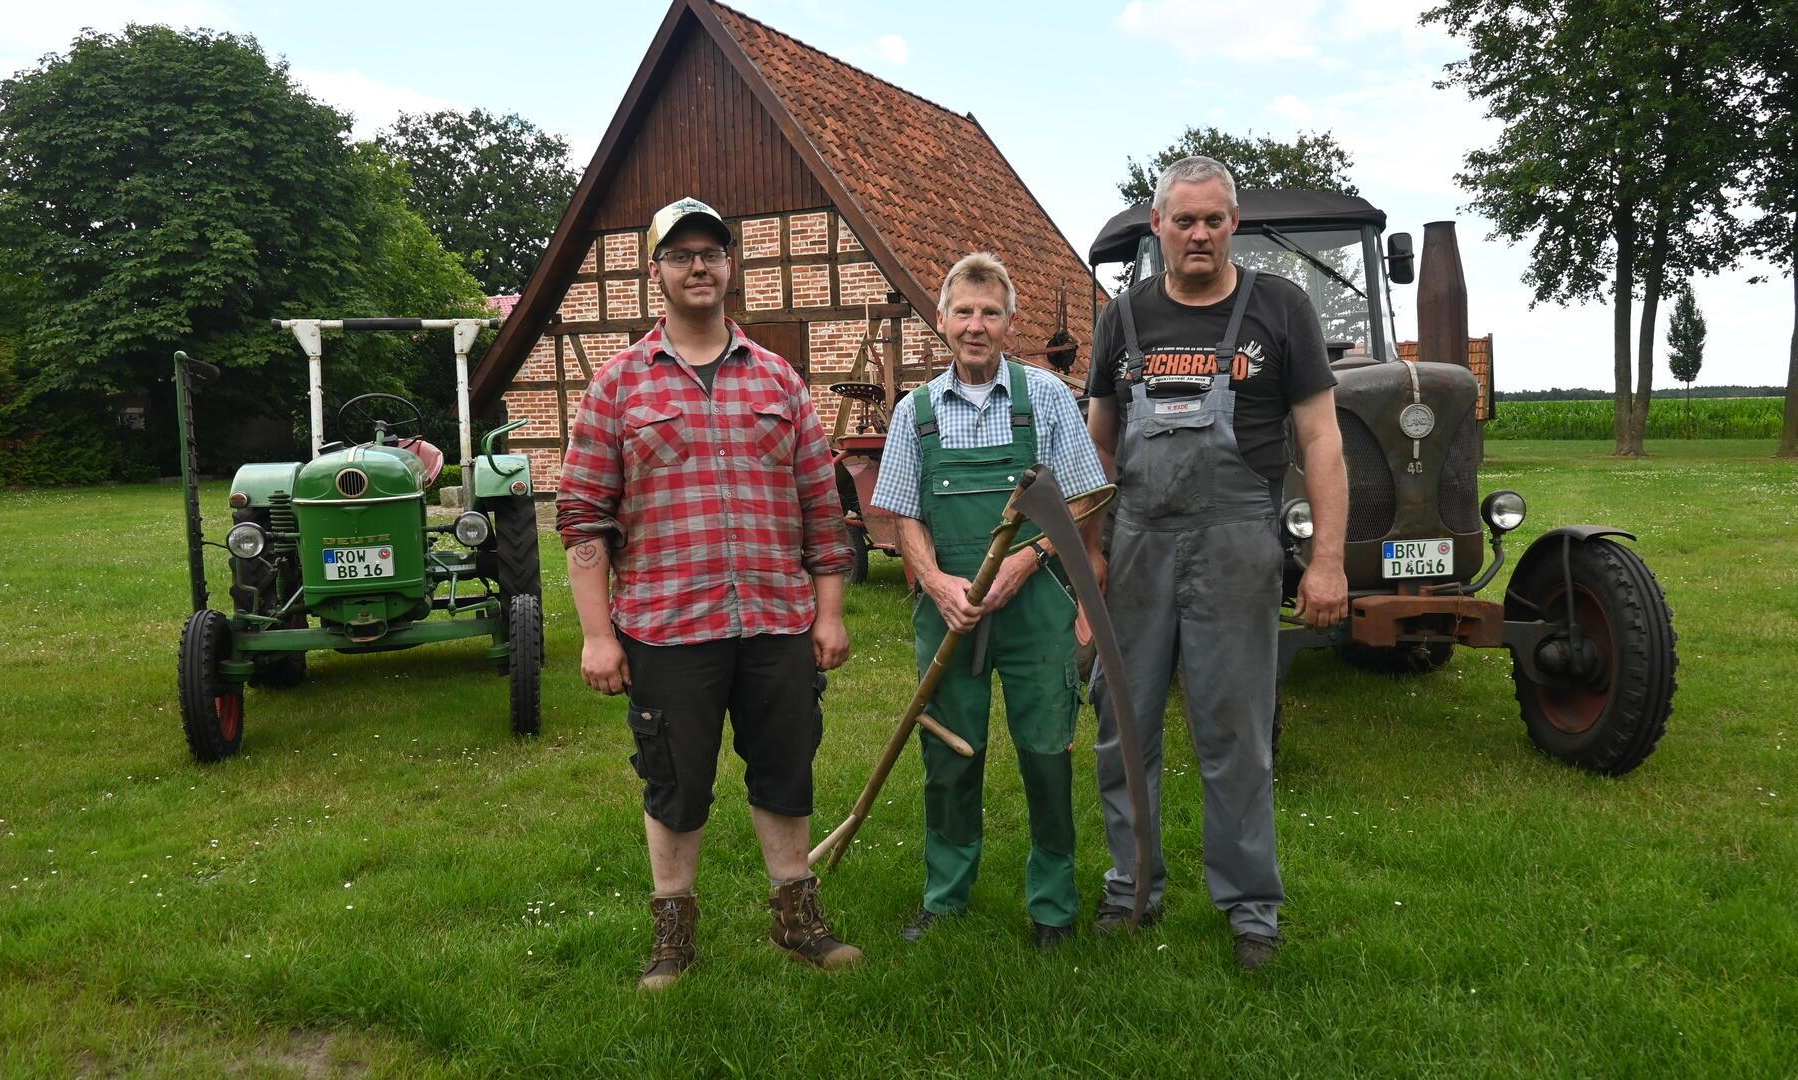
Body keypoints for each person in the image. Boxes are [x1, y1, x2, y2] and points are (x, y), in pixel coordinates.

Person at [557, 196, 863, 990]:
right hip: (666, 627)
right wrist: (598, 635)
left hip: (775, 623)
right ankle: (673, 935)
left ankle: (797, 920)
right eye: (681, 254)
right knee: (676, 782)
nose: (699, 266)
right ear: (654, 272)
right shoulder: (618, 386)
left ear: (731, 268)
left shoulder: (780, 380)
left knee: (786, 770)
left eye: (712, 253)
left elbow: (822, 511)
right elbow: (583, 518)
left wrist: (828, 613)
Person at [1085, 157, 1349, 970]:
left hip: (1238, 541)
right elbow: (1097, 441)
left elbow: (1322, 441)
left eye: (1214, 220)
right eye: (1183, 220)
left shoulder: (1279, 308)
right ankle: (1133, 889)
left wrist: (1327, 561)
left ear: (1233, 224)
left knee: (1234, 732)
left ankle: (1250, 909)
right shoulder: (1122, 319)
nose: (1199, 235)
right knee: (1123, 725)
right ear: (1157, 225)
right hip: (1136, 541)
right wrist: (1089, 548)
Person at [873, 252, 1109, 950]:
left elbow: (1084, 497)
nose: (975, 326)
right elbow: (901, 515)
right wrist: (938, 582)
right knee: (950, 759)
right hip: (950, 613)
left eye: (990, 313)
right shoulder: (913, 413)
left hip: (1035, 612)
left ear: (1009, 322)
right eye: (963, 312)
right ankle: (945, 898)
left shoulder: (1048, 400)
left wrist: (1030, 558)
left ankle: (1054, 907)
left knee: (1046, 753)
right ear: (942, 320)